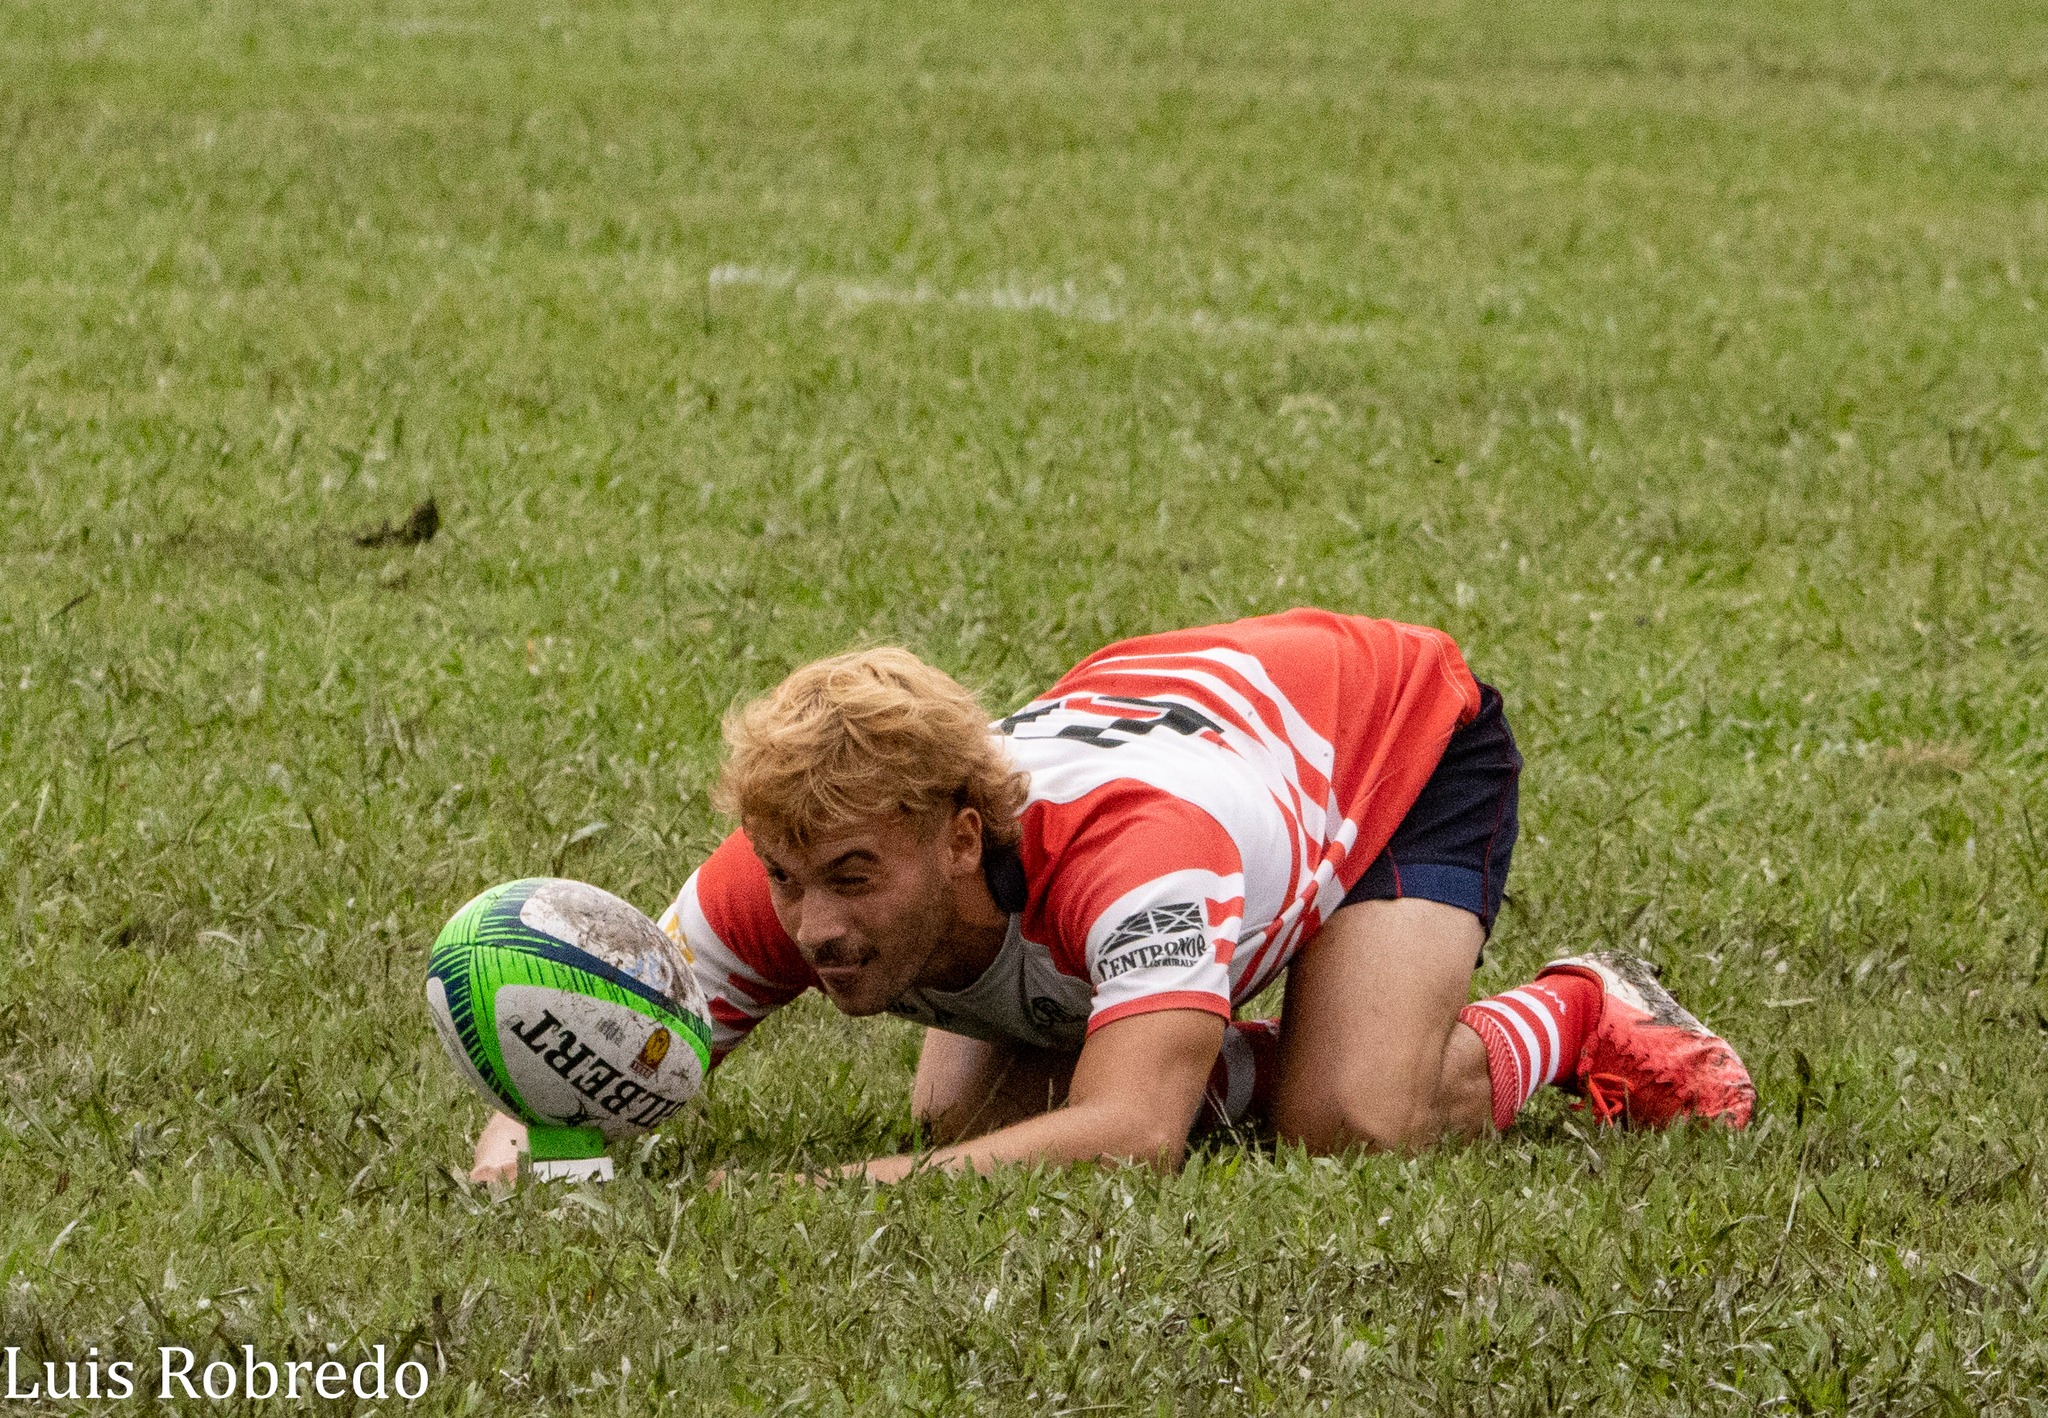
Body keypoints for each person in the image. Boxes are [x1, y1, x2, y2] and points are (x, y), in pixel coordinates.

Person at [470, 609, 1752, 1185]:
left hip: (1390, 741)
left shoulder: (1142, 857)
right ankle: (1205, 1027)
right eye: (793, 881)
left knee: (1347, 1112)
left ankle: (1581, 1008)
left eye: (853, 879)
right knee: (964, 1113)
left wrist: (816, 1188)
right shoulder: (797, 860)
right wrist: (519, 1148)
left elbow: (1134, 1132)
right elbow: (602, 1030)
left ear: (960, 837)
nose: (814, 927)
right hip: (1193, 709)